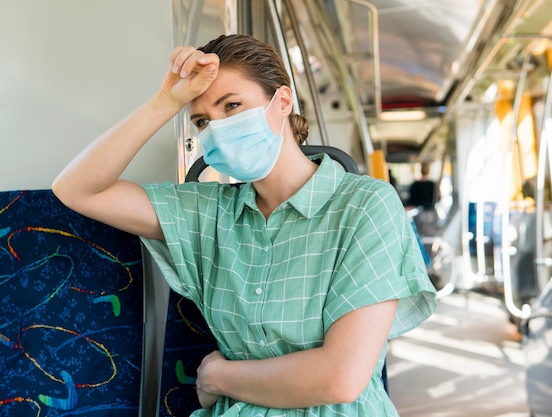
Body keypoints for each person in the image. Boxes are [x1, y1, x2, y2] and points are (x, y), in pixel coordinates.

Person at [53, 34, 436, 416]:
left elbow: (341, 378)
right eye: (203, 120)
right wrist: (165, 102)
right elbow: (77, 189)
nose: (217, 129)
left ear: (282, 102)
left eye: (232, 106)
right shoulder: (208, 213)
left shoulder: (366, 205)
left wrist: (220, 378)